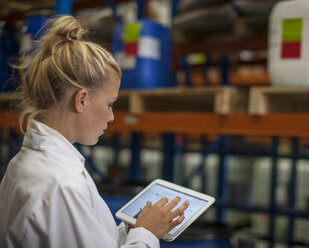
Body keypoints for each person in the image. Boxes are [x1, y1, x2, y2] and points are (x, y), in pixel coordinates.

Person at [0, 15, 189, 248]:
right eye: (110, 104)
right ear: (82, 99)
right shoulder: (61, 184)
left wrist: (129, 231)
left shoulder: (25, 163)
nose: (111, 117)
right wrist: (146, 234)